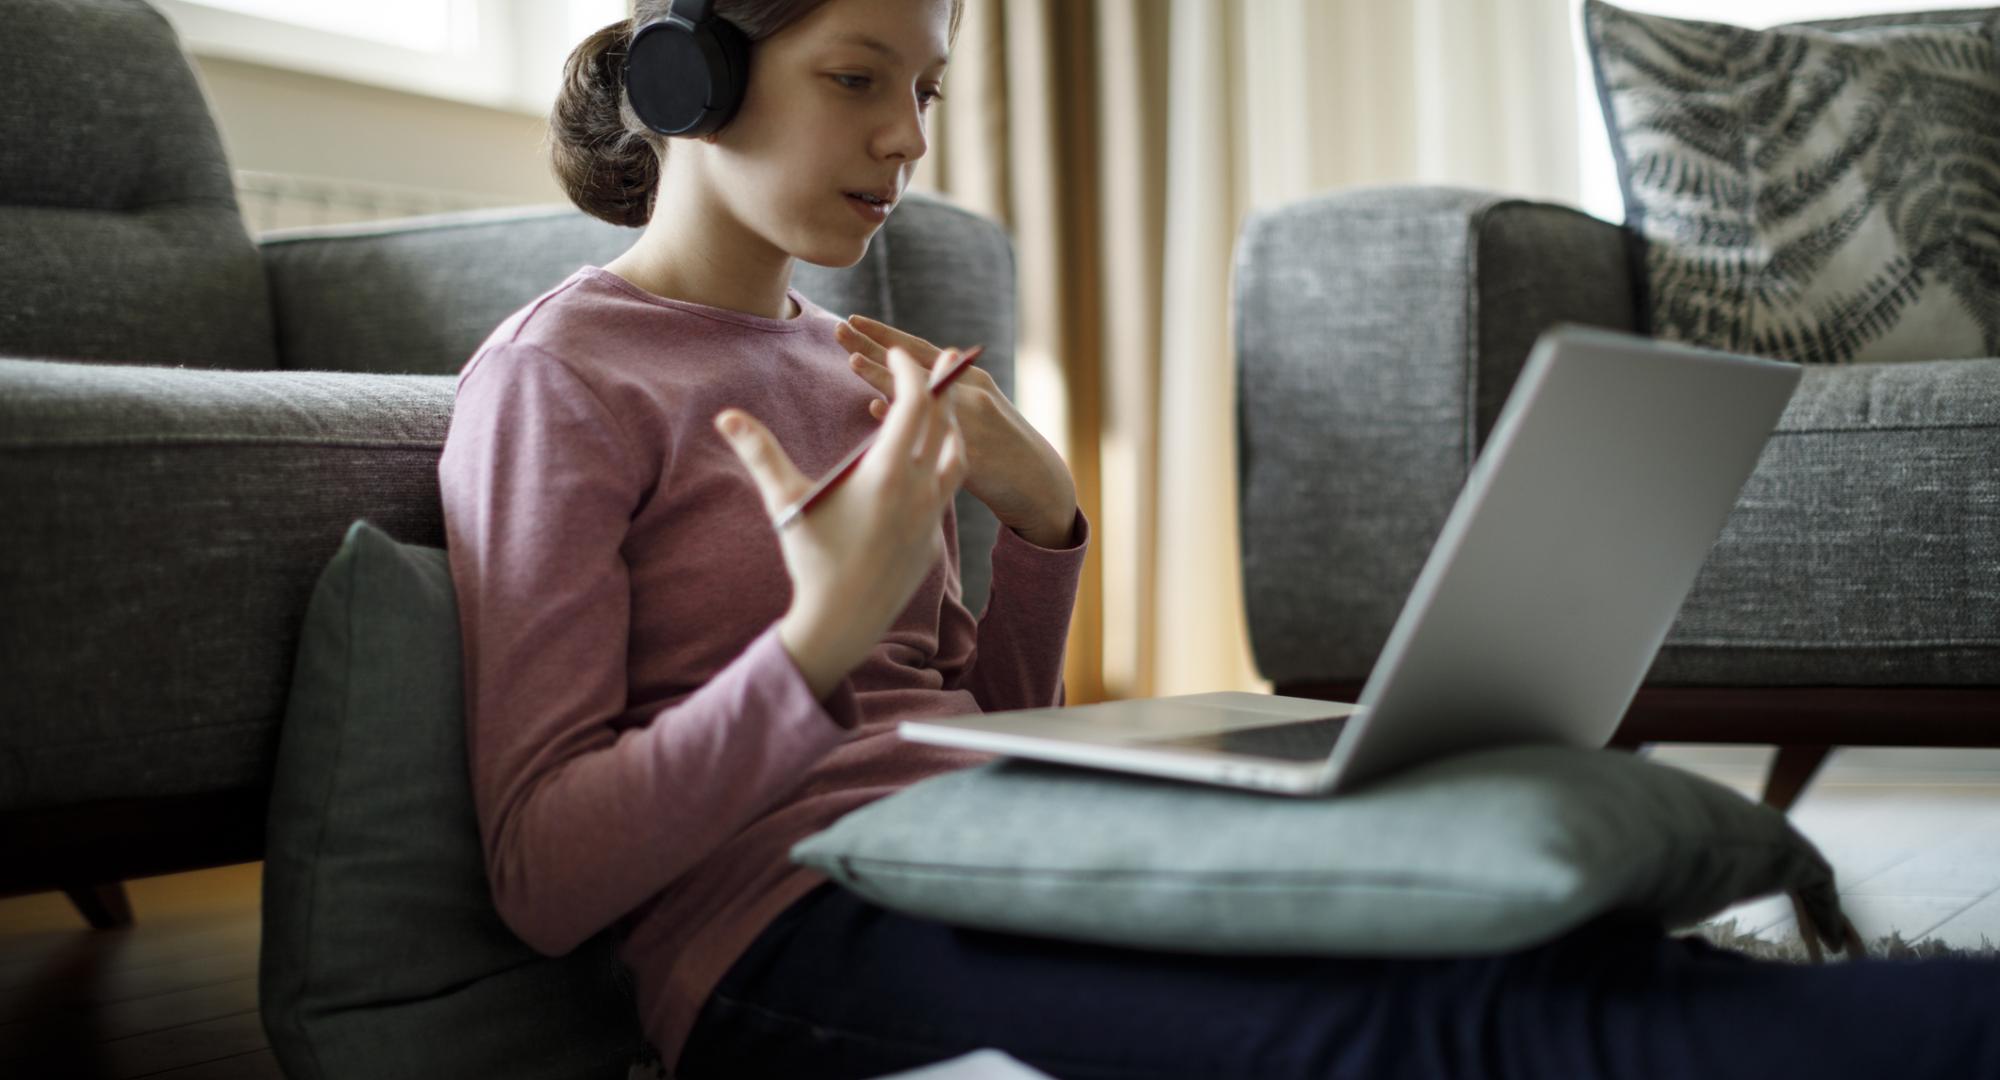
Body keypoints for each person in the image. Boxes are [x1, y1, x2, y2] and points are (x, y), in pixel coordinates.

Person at [438, 1, 2000, 1078]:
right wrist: (806, 653)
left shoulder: (847, 357)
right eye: (861, 77)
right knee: (1432, 1040)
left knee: (1542, 965)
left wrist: (1042, 526)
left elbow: (975, 739)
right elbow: (542, 871)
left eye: (926, 89)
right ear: (684, 78)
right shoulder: (559, 381)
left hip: (1005, 851)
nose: (909, 137)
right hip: (783, 938)